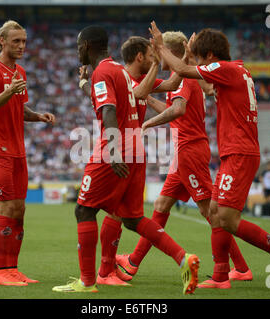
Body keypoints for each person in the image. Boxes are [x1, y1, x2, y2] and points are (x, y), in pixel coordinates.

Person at [150, 21, 270, 291]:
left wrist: (162, 46)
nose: (198, 62)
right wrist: (190, 57)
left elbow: (184, 71)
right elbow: (206, 87)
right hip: (234, 152)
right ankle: (221, 275)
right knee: (216, 214)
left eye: (200, 56)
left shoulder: (226, 68)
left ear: (210, 56)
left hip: (240, 152)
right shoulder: (235, 72)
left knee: (228, 219)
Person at [52, 25, 200, 294]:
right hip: (136, 151)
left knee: (84, 210)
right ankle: (183, 258)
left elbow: (108, 109)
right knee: (130, 218)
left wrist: (112, 150)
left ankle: (87, 282)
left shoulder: (103, 72)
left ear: (86, 46)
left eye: (77, 47)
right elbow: (108, 99)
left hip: (115, 148)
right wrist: (85, 84)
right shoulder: (119, 71)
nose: (77, 52)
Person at [116, 31, 252, 284]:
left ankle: (241, 267)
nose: (156, 55)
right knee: (161, 206)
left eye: (160, 51)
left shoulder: (184, 78)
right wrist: (149, 101)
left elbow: (177, 111)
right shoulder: (180, 78)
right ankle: (133, 262)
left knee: (211, 213)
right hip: (184, 152)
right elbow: (174, 108)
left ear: (172, 52)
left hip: (190, 151)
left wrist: (147, 124)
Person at [78, 35, 187, 286]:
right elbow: (101, 95)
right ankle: (109, 271)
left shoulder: (124, 77)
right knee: (123, 215)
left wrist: (172, 60)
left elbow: (169, 84)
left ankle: (100, 274)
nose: (152, 59)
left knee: (92, 210)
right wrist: (85, 81)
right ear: (138, 57)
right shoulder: (125, 77)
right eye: (150, 55)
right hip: (135, 148)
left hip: (121, 147)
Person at [0, 20, 56, 286]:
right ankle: (0, 271)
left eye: (23, 41)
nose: (22, 46)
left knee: (20, 209)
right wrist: (9, 89)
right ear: (2, 41)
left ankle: (12, 268)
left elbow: (20, 109)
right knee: (7, 207)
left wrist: (38, 116)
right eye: (16, 41)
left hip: (17, 149)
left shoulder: (19, 70)